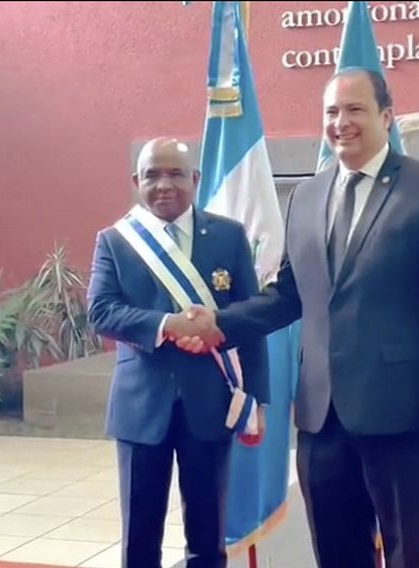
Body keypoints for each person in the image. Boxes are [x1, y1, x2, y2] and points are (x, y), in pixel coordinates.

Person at [169, 68, 419, 568]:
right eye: (332, 112)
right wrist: (218, 324)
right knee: (336, 554)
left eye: (355, 109)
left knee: (409, 554)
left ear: (386, 116)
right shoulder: (307, 196)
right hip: (322, 418)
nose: (341, 122)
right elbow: (288, 296)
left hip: (401, 416)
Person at [86, 137, 270, 568]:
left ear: (195, 179)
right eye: (152, 175)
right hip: (140, 406)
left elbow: (251, 321)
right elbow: (100, 311)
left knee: (207, 537)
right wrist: (169, 326)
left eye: (175, 174)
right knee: (139, 538)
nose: (163, 184)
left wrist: (257, 400)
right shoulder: (115, 240)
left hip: (210, 402)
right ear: (137, 181)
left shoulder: (228, 236)